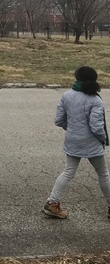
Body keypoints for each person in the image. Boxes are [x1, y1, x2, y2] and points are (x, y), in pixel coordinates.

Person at [43, 66, 110, 219]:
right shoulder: (95, 99)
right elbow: (97, 127)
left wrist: (72, 129)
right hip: (92, 143)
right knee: (103, 174)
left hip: (72, 140)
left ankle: (52, 203)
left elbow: (59, 120)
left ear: (77, 78)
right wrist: (103, 139)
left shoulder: (66, 96)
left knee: (68, 171)